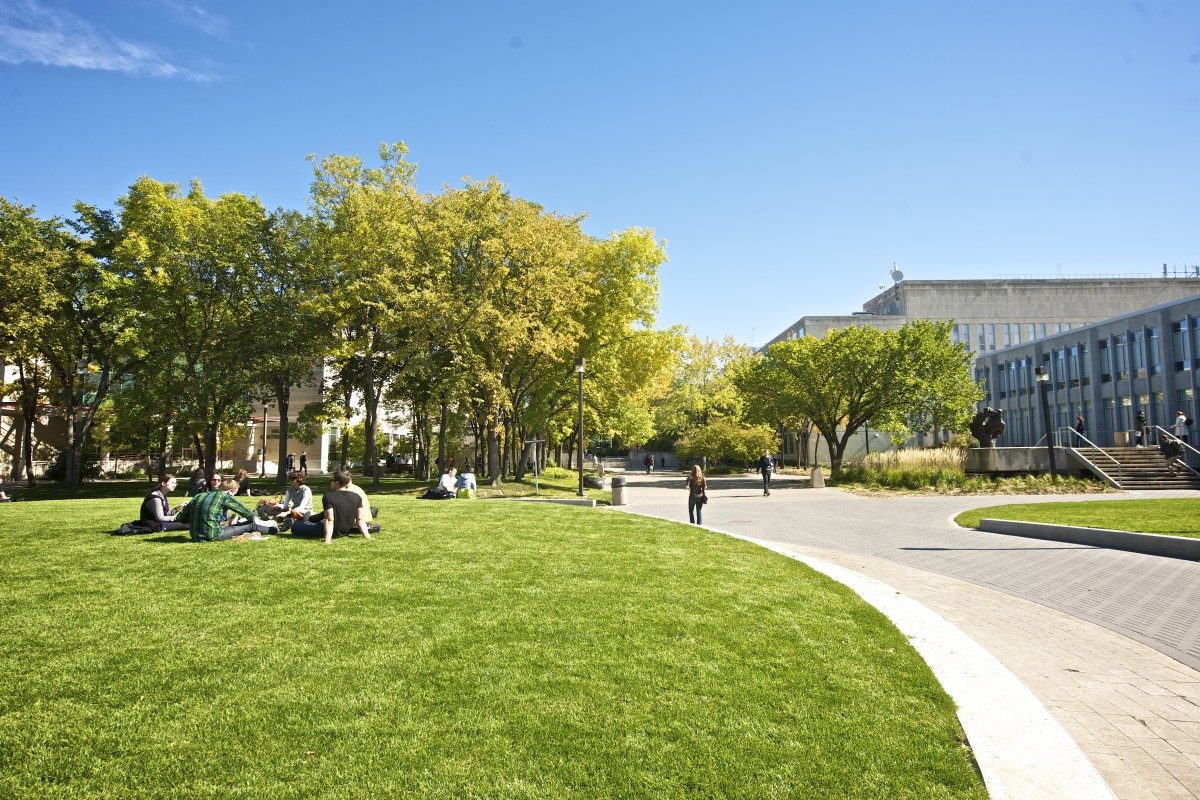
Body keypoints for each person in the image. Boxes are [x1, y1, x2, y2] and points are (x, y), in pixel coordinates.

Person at [290, 471, 372, 545]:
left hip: (327, 530)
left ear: (337, 482)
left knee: (295, 526)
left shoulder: (329, 496)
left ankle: (305, 521)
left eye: (331, 480)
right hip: (345, 531)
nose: (330, 483)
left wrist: (327, 541)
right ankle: (307, 519)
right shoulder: (356, 497)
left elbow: (329, 520)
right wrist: (367, 537)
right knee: (316, 520)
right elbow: (360, 520)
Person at [176, 478, 259, 542]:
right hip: (213, 534)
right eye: (234, 494)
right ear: (230, 491)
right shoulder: (225, 496)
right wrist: (251, 520)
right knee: (251, 524)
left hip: (194, 536)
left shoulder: (198, 496)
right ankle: (271, 529)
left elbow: (180, 517)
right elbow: (248, 514)